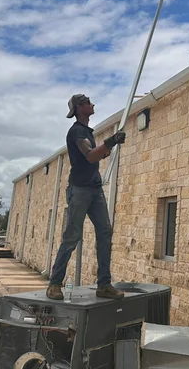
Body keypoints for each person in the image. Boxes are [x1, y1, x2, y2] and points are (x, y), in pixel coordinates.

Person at [46, 94, 126, 300]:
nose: (93, 105)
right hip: (80, 189)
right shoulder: (77, 132)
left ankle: (104, 285)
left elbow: (96, 155)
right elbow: (90, 155)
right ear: (80, 107)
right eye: (89, 102)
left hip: (94, 188)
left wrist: (110, 145)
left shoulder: (87, 132)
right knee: (72, 236)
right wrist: (110, 140)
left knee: (105, 232)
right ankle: (54, 284)